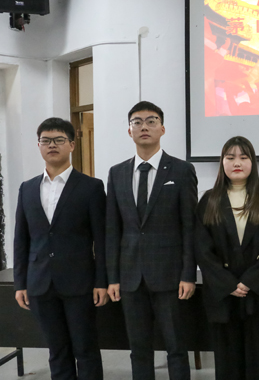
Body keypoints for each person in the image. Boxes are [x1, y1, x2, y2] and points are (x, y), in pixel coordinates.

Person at [105, 101, 198, 380]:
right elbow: (113, 229)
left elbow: (189, 227)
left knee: (176, 347)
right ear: (129, 131)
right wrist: (113, 277)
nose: (144, 126)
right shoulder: (117, 173)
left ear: (162, 128)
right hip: (130, 276)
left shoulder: (181, 170)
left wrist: (188, 274)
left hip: (170, 276)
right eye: (137, 122)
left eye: (151, 121)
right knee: (139, 349)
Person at [14, 117, 107, 379]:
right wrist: (20, 283)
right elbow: (21, 239)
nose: (52, 145)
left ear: (72, 145)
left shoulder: (91, 187)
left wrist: (101, 281)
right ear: (39, 145)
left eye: (58, 140)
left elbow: (101, 239)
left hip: (80, 283)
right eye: (46, 140)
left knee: (85, 349)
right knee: (57, 350)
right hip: (40, 283)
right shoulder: (27, 188)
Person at [195, 136, 259, 380]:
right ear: (222, 162)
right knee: (227, 365)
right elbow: (202, 249)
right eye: (230, 157)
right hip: (222, 296)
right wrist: (227, 283)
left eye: (243, 157)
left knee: (257, 365)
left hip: (258, 294)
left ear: (252, 162)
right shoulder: (209, 200)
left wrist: (250, 282)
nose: (237, 163)